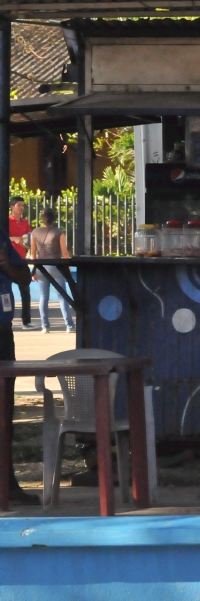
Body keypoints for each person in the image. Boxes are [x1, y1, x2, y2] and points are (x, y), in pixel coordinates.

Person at [0, 235, 38, 504]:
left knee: (4, 412)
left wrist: (5, 265)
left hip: (2, 333)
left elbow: (24, 277)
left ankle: (7, 483)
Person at [30, 209, 75, 333]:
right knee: (62, 296)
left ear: (42, 219)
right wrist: (68, 266)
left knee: (43, 296)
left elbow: (33, 254)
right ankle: (69, 325)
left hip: (41, 267)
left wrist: (33, 271)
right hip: (56, 266)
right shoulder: (58, 232)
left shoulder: (34, 232)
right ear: (54, 218)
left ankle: (45, 326)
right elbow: (64, 252)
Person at [7, 198, 31, 330]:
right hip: (8, 260)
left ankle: (26, 321)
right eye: (19, 205)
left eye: (23, 205)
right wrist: (14, 239)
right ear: (12, 206)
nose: (21, 207)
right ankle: (6, 319)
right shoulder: (6, 221)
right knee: (6, 290)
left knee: (25, 290)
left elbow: (29, 238)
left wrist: (26, 243)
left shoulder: (25, 222)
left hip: (21, 259)